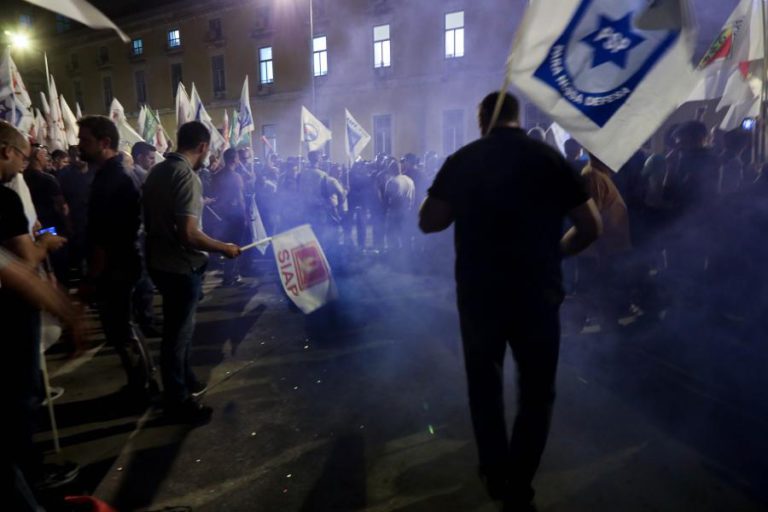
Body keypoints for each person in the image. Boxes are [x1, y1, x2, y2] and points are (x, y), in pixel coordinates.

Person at [419, 92, 601, 511]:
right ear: (519, 117)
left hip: (481, 297)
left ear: (481, 118)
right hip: (538, 296)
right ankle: (520, 482)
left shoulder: (464, 160)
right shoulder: (551, 160)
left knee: (484, 386)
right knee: (537, 394)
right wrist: (558, 251)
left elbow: (429, 222)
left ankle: (494, 469)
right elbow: (591, 225)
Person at [143, 121, 242, 424]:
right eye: (208, 149)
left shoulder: (157, 171)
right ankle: (178, 400)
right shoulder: (186, 176)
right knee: (178, 334)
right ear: (201, 147)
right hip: (180, 266)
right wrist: (222, 247)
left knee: (180, 330)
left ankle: (185, 378)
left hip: (159, 262)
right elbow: (189, 233)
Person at [78, 115, 155, 400]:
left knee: (121, 329)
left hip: (116, 266)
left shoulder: (112, 179)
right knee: (125, 327)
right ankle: (143, 382)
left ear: (105, 142)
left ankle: (142, 386)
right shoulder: (110, 174)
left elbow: (105, 236)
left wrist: (92, 276)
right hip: (122, 263)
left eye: (85, 140)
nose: (78, 146)